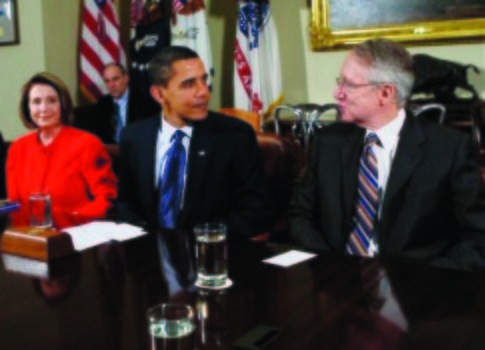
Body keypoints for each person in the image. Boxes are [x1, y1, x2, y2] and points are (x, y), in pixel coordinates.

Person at [289, 38, 485, 271]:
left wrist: (430, 281)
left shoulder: (448, 149)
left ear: (385, 93)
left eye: (348, 85)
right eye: (338, 82)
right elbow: (299, 216)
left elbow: (476, 238)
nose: (336, 93)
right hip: (337, 281)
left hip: (416, 286)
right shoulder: (328, 142)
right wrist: (333, 266)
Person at [116, 46, 271, 237]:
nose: (203, 92)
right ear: (159, 94)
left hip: (211, 252)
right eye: (189, 84)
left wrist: (199, 239)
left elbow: (256, 212)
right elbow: (125, 202)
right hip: (149, 254)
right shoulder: (134, 136)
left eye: (204, 80)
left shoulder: (234, 135)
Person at [6, 72, 117, 229]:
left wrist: (71, 221)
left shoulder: (87, 144)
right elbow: (15, 204)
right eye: (36, 102)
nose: (44, 108)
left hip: (75, 238)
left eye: (52, 101)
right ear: (28, 107)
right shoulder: (18, 148)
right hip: (29, 241)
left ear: (63, 104)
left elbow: (106, 198)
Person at [74, 63, 160, 144]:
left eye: (115, 79)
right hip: (110, 152)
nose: (111, 85)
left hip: (135, 149)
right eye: (107, 81)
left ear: (126, 78)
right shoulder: (103, 103)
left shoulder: (144, 101)